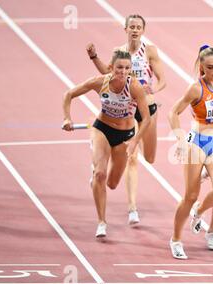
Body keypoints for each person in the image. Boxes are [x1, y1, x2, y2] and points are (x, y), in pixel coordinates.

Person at [86, 14, 166, 225]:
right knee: (132, 158)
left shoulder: (150, 51)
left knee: (150, 158)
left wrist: (153, 90)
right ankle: (132, 208)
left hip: (146, 107)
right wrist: (94, 57)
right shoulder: (118, 52)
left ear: (143, 30)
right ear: (125, 28)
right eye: (131, 26)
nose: (135, 30)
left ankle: (102, 166)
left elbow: (163, 80)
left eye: (138, 27)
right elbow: (107, 73)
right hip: (126, 110)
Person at [62, 50, 152, 238]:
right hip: (102, 128)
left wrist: (135, 140)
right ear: (111, 68)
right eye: (119, 68)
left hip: (125, 134)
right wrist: (67, 118)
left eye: (127, 68)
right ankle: (102, 222)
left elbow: (146, 119)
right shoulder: (100, 82)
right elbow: (69, 94)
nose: (123, 72)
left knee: (111, 183)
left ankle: (97, 177)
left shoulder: (134, 87)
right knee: (100, 174)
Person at [168, 45, 213, 259]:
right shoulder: (195, 89)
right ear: (202, 68)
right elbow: (173, 112)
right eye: (210, 67)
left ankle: (199, 212)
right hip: (197, 142)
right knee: (190, 195)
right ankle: (176, 240)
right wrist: (180, 139)